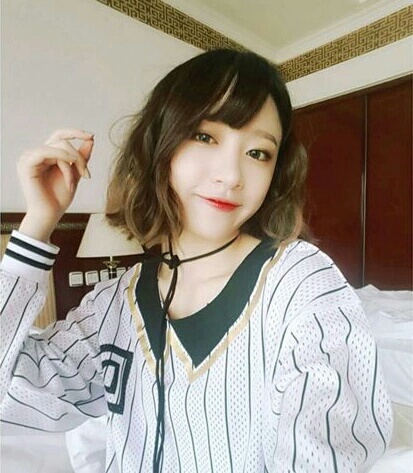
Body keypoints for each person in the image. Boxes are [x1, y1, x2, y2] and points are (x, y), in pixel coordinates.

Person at [0, 49, 392, 472]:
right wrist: (37, 224)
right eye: (205, 137)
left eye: (258, 153)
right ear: (161, 145)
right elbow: (13, 394)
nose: (232, 176)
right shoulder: (112, 304)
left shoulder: (303, 285)